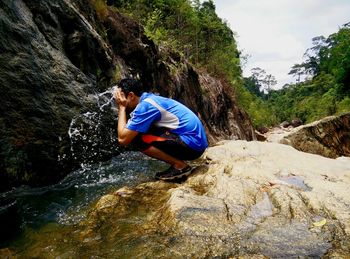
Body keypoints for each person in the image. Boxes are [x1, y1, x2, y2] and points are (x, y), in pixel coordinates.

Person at [113, 78, 208, 181]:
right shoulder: (150, 99)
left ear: (131, 96)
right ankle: (179, 164)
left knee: (136, 137)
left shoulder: (145, 107)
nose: (118, 102)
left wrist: (122, 108)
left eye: (120, 99)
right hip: (196, 143)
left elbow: (123, 139)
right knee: (138, 130)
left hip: (192, 146)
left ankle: (180, 166)